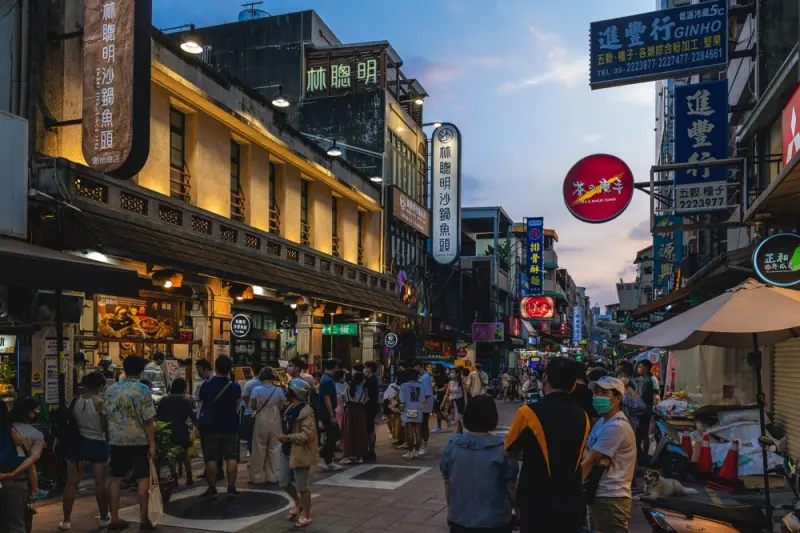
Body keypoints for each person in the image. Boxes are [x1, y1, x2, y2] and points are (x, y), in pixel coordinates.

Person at [505, 357, 591, 533]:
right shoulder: (583, 416)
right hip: (570, 499)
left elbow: (509, 450)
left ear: (544, 379)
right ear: (573, 385)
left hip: (535, 500)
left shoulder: (528, 412)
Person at [441, 396, 518, 532]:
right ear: (493, 418)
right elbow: (511, 486)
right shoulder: (502, 449)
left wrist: (451, 511)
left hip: (460, 520)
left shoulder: (453, 446)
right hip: (495, 521)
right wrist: (519, 513)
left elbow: (447, 482)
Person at [103, 355, 157, 531]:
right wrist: (152, 444)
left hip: (116, 439)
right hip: (139, 439)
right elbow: (149, 420)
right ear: (141, 370)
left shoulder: (111, 389)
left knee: (116, 478)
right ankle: (143, 520)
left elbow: (105, 414)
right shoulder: (142, 390)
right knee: (142, 478)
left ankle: (114, 519)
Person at [582, 377, 637, 533]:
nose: (597, 397)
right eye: (595, 392)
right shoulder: (602, 422)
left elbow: (590, 461)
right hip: (599, 495)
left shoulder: (617, 427)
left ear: (618, 397)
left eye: (604, 393)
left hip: (611, 499)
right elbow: (587, 454)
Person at [61, 372, 111, 530]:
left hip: (77, 442)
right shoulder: (100, 402)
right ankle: (104, 517)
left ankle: (66, 520)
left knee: (71, 483)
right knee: (100, 483)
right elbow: (106, 426)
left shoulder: (75, 400)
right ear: (101, 386)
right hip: (97, 442)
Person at [198, 355, 242, 497]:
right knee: (231, 457)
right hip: (230, 426)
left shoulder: (207, 385)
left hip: (210, 427)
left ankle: (212, 487)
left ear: (215, 368)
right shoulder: (235, 387)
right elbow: (237, 405)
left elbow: (202, 400)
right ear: (230, 369)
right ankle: (231, 487)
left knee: (211, 458)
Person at [278, 378, 318, 529]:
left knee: (302, 484)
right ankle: (298, 503)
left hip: (300, 452)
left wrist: (288, 437)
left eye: (288, 389)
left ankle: (306, 515)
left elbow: (307, 434)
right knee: (283, 481)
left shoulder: (306, 412)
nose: (286, 391)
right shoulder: (289, 408)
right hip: (287, 450)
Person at [0, 402, 44, 533]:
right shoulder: (18, 432)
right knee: (16, 524)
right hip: (15, 481)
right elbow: (32, 458)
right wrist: (13, 473)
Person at [156, 377, 196, 486]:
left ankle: (174, 477)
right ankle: (189, 477)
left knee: (171, 455)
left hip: (167, 429)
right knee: (185, 454)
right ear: (183, 388)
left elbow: (158, 414)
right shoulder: (186, 401)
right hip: (181, 430)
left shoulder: (164, 400)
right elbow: (192, 416)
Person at [248, 367, 284, 485]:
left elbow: (253, 406)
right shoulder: (279, 390)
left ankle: (256, 476)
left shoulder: (256, 389)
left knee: (258, 447)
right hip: (275, 419)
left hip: (261, 420)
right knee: (275, 447)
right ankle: (274, 475)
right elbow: (281, 405)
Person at [9, 398, 47, 502]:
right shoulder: (35, 434)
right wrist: (13, 473)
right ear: (30, 412)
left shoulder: (7, 428)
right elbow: (34, 457)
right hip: (22, 472)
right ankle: (35, 490)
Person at [317, 358, 342, 471]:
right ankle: (322, 456)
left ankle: (328, 460)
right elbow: (327, 399)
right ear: (334, 367)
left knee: (333, 434)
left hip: (326, 410)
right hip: (326, 411)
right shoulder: (327, 380)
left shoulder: (327, 378)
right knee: (334, 434)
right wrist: (332, 415)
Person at [340, 371, 369, 464]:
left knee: (348, 433)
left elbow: (343, 398)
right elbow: (365, 400)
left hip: (348, 411)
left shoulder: (348, 388)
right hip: (360, 412)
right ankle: (359, 456)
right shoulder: (364, 390)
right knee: (360, 433)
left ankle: (347, 455)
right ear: (361, 380)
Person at [399, 371, 425, 459]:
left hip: (408, 410)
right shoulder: (421, 386)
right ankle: (417, 451)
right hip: (419, 410)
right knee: (418, 432)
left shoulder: (404, 385)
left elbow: (402, 399)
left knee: (409, 432)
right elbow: (423, 399)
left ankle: (410, 452)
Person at [241, 363, 264, 455]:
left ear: (252, 370)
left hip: (249, 413)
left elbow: (245, 397)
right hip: (263, 414)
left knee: (250, 437)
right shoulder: (266, 384)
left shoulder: (249, 383)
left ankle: (253, 458)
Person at [636, 360, 656, 459]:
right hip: (645, 409)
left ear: (647, 368)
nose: (639, 368)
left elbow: (642, 397)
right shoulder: (643, 380)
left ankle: (644, 455)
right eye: (639, 366)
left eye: (641, 366)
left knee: (644, 434)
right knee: (644, 433)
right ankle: (643, 454)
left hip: (645, 410)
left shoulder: (647, 381)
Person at [415, 360, 435, 456]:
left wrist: (420, 402)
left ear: (420, 366)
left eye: (416, 367)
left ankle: (425, 446)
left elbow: (427, 393)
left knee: (423, 424)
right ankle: (421, 444)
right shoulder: (421, 377)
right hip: (421, 404)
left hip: (424, 404)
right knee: (421, 424)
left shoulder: (426, 377)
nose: (415, 369)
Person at [363, 361, 380, 460]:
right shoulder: (372, 379)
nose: (364, 370)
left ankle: (371, 451)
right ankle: (371, 451)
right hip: (372, 406)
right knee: (370, 428)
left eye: (365, 368)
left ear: (370, 369)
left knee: (369, 428)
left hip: (369, 407)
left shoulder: (370, 380)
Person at [443, 368, 466, 434]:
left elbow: (465, 394)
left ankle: (456, 435)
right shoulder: (450, 382)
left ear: (457, 374)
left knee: (457, 420)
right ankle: (460, 435)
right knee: (457, 420)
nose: (451, 374)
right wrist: (443, 403)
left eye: (453, 372)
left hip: (459, 403)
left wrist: (466, 403)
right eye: (451, 372)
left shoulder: (462, 382)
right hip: (452, 403)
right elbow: (447, 393)